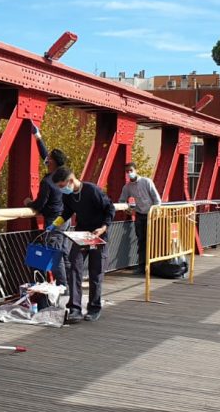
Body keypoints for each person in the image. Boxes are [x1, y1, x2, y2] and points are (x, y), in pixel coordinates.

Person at [51, 166, 115, 322]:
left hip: (98, 234)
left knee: (96, 271)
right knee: (74, 267)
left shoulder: (92, 190)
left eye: (62, 186)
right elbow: (67, 212)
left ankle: (94, 308)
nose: (61, 190)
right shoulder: (69, 196)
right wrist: (55, 223)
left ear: (71, 181)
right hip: (82, 234)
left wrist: (103, 227)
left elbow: (110, 208)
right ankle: (75, 308)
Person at [23, 123, 69, 289]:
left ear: (53, 162)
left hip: (54, 221)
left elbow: (40, 205)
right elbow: (45, 156)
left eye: (49, 158)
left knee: (55, 255)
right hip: (65, 219)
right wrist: (38, 137)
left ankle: (64, 289)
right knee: (63, 252)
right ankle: (69, 288)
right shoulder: (63, 175)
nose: (46, 159)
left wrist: (29, 203)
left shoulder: (48, 182)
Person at [118, 161, 162, 275]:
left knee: (153, 240)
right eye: (127, 172)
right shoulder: (127, 187)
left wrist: (156, 212)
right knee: (141, 241)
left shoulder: (146, 182)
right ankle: (142, 266)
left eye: (131, 170)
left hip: (152, 215)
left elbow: (157, 199)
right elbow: (122, 200)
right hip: (139, 215)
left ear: (136, 170)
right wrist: (127, 208)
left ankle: (153, 266)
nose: (129, 173)